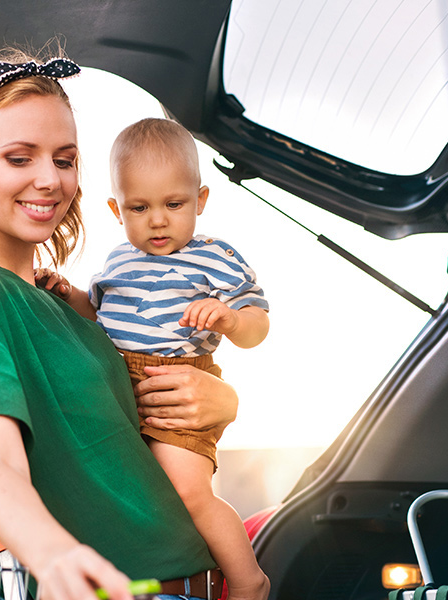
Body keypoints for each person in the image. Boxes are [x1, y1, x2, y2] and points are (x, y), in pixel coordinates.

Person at [0, 53, 243, 600]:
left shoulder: (64, 303)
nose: (49, 179)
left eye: (65, 160)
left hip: (195, 582)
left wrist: (218, 400)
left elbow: (122, 443)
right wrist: (56, 556)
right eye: (19, 158)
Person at [37, 118, 270, 600]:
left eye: (174, 204)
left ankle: (250, 581)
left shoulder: (215, 258)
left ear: (201, 201)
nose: (157, 220)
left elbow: (257, 324)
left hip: (178, 384)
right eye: (139, 207)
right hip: (122, 384)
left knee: (189, 492)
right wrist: (68, 293)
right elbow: (97, 313)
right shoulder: (118, 261)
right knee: (140, 493)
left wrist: (228, 318)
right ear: (115, 210)